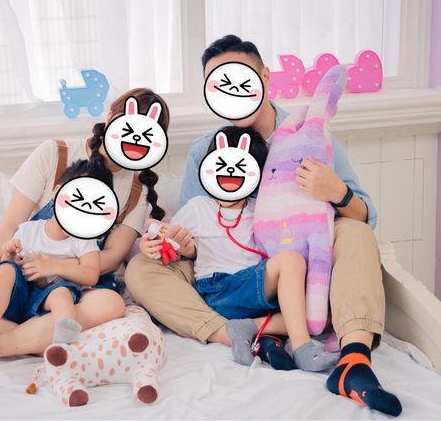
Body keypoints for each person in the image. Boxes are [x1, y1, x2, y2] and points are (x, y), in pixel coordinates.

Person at [125, 35, 402, 416]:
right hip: (235, 276)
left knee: (355, 232)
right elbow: (195, 233)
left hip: (301, 264)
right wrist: (169, 244)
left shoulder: (310, 132)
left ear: (265, 77)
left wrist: (337, 192)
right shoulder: (205, 150)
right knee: (140, 268)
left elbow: (365, 216)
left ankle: (353, 359)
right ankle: (233, 333)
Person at [0, 88, 168, 386]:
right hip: (25, 275)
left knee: (111, 304)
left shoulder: (136, 191)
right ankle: (36, 337)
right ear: (110, 119)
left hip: (76, 288)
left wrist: (55, 265)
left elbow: (111, 258)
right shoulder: (56, 154)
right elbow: (10, 223)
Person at [140, 126, 338, 372]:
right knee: (291, 261)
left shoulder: (261, 209)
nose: (230, 173)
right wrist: (153, 242)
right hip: (220, 289)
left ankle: (250, 326)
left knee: (324, 315)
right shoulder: (198, 207)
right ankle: (303, 349)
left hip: (255, 292)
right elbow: (170, 238)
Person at [0, 160, 111, 352]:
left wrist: (54, 266)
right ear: (56, 192)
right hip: (21, 292)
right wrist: (8, 254)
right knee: (5, 269)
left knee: (61, 293)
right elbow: (8, 269)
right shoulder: (29, 229)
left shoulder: (84, 240)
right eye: (76, 196)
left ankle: (64, 337)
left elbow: (91, 274)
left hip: (49, 297)